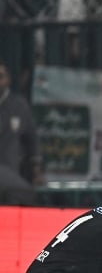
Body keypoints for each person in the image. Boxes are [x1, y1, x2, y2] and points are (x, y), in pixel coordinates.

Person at [0, 58, 43, 204]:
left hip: (10, 176)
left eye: (1, 77)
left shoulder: (18, 105)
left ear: (8, 79)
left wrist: (36, 171)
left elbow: (31, 139)